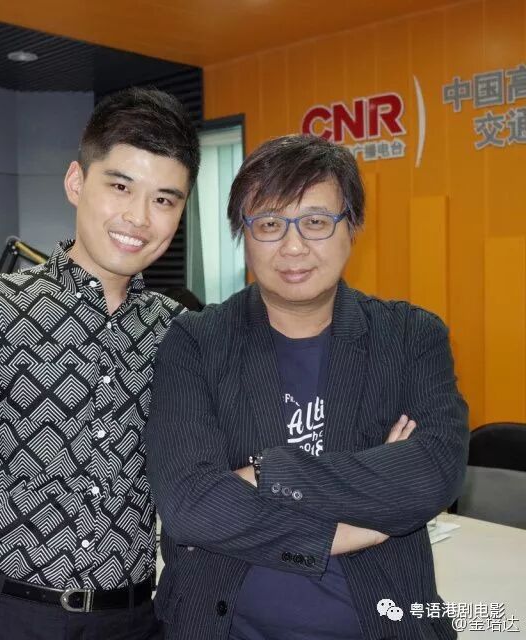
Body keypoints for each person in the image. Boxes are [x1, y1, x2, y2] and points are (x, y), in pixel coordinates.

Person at [145, 134, 469, 640]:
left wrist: (266, 474)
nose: (293, 247)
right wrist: (357, 525)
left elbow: (432, 475)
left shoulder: (410, 337)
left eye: (316, 222)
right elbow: (190, 506)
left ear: (352, 226)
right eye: (269, 224)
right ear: (244, 233)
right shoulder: (197, 342)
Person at [0, 87, 200, 640]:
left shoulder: (179, 333)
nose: (139, 217)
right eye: (120, 186)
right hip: (3, 614)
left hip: (131, 620)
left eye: (164, 200)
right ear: (76, 182)